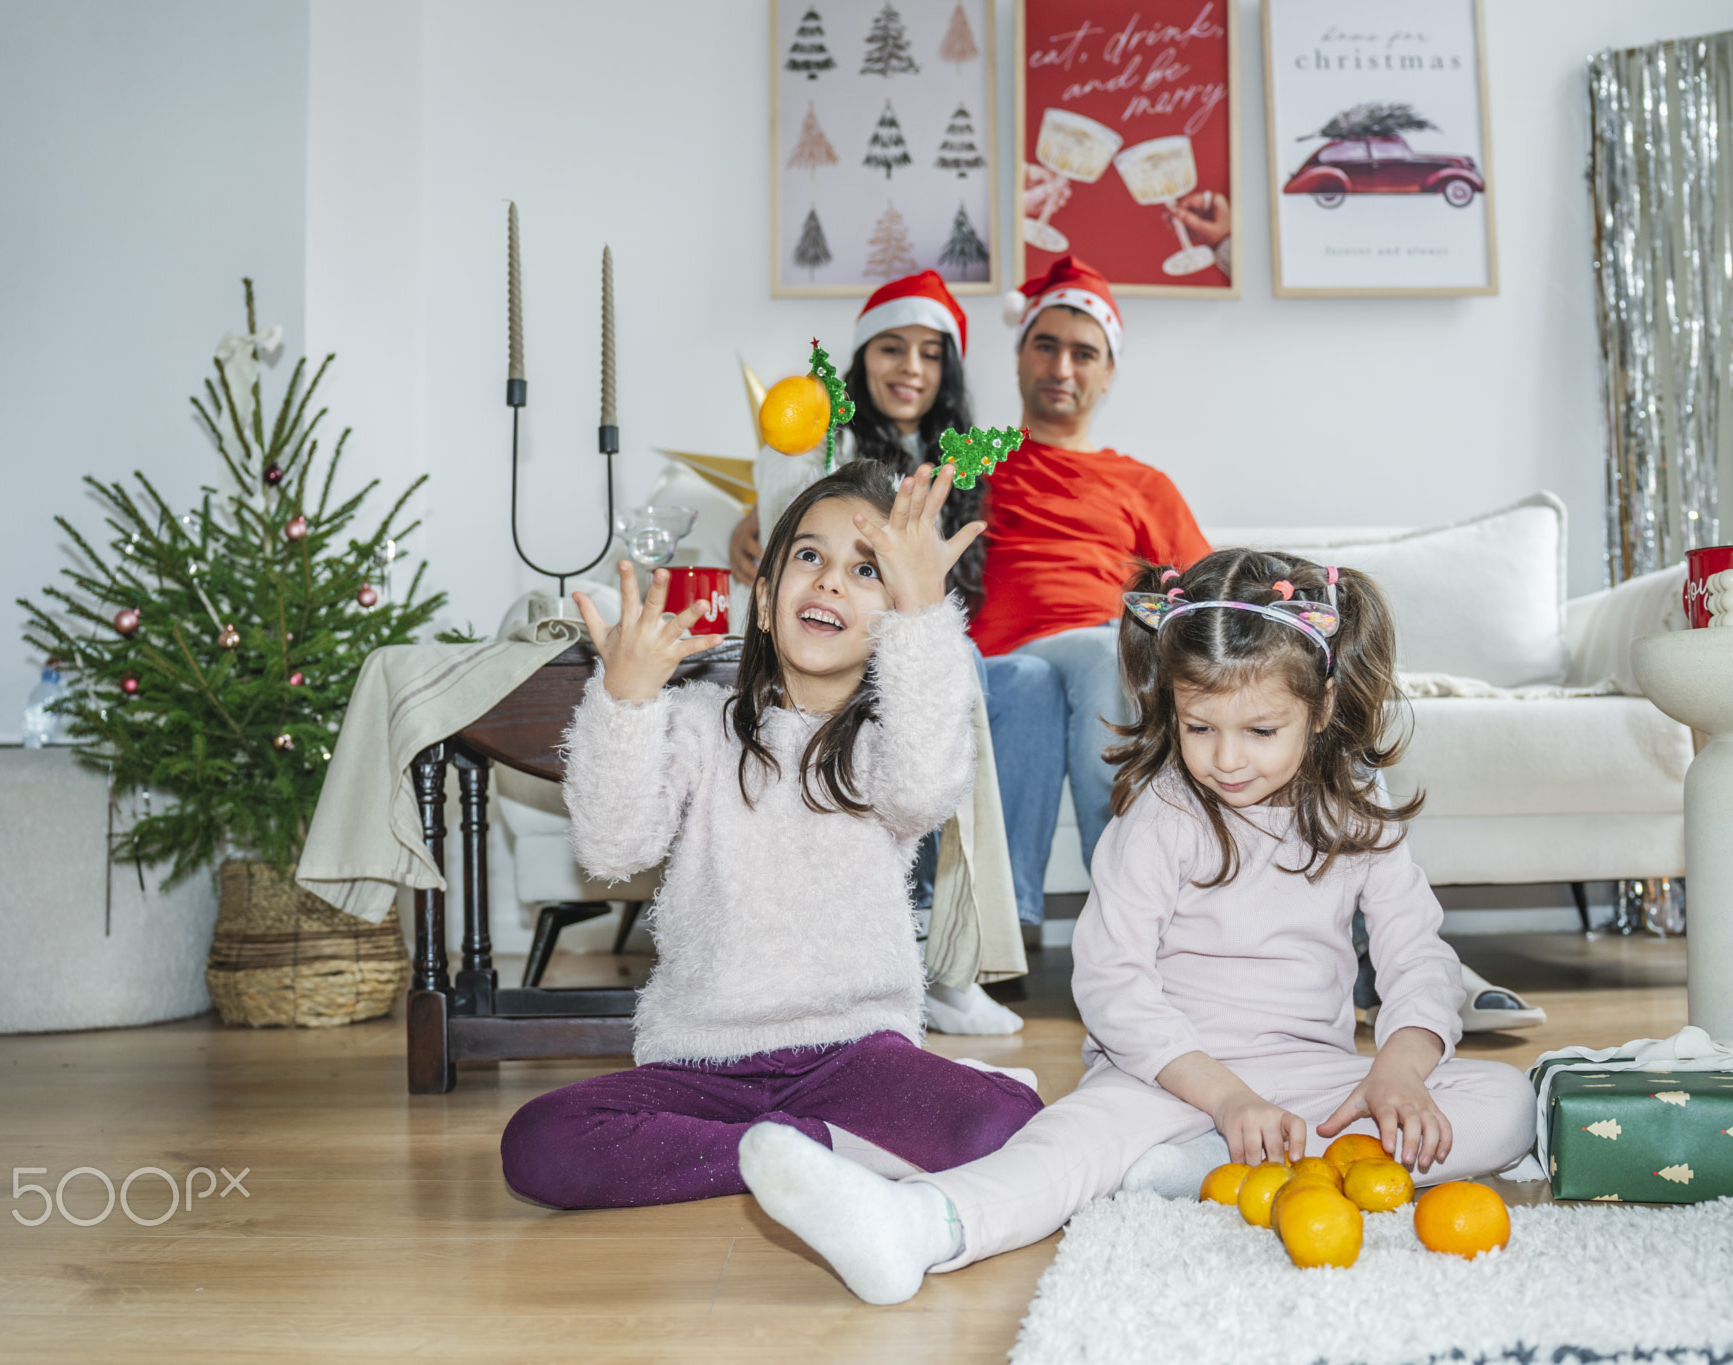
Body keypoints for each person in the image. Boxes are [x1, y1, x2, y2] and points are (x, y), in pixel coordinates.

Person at [732, 549, 1537, 1302]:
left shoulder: (1358, 808)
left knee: (1507, 1104)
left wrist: (1397, 1070)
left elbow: (1416, 958)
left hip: (1309, 1083)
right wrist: (1222, 1097)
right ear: (1171, 705)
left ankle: (1202, 1168)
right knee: (1063, 1148)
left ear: (1321, 707)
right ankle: (921, 1225)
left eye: (1260, 731)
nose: (1226, 758)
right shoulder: (1160, 814)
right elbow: (1114, 985)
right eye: (1199, 726)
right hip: (1160, 1075)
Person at [498, 462, 1043, 1209]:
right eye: (809, 557)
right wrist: (625, 701)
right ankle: (809, 1152)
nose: (828, 583)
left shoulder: (886, 745)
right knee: (540, 1141)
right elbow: (613, 848)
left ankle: (798, 1146)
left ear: (891, 617)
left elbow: (926, 787)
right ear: (762, 603)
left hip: (854, 1056)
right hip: (701, 1062)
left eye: (866, 570)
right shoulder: (695, 722)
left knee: (1009, 1125)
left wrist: (922, 617)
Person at [735, 272, 1067, 969]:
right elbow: (786, 531)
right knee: (960, 670)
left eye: (929, 352)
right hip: (861, 653)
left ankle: (983, 938)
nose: (911, 368)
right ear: (861, 360)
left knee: (1031, 680)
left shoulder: (960, 459)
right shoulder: (825, 439)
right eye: (891, 348)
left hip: (940, 647)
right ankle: (920, 930)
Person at [974, 255, 1212, 870]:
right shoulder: (972, 464)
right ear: (1019, 356)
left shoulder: (1142, 484)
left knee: (1116, 654)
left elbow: (1207, 594)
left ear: (1107, 374)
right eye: (1045, 347)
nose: (1060, 368)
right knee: (1109, 655)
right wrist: (764, 518)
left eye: (1083, 353)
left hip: (1112, 650)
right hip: (1004, 658)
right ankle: (1120, 895)